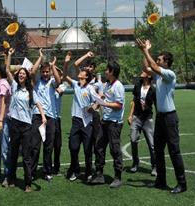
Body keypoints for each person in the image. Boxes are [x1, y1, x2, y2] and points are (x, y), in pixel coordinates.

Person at [136, 38, 187, 194]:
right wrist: (144, 51)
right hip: (160, 118)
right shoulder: (158, 76)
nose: (157, 61)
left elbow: (153, 66)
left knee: (174, 151)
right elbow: (146, 66)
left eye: (159, 60)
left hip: (170, 118)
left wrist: (146, 49)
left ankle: (182, 184)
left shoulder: (169, 74)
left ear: (166, 62)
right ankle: (161, 181)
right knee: (158, 150)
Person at [6, 48, 47, 193]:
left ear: (27, 76)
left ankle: (28, 183)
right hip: (14, 124)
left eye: (24, 74)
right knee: (13, 153)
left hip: (27, 126)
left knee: (27, 156)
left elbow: (38, 104)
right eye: (20, 74)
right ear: (18, 76)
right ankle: (11, 179)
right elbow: (7, 70)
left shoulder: (31, 91)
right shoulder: (15, 86)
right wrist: (10, 55)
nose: (22, 75)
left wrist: (42, 116)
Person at [90, 61, 125, 188]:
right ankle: (99, 174)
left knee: (115, 150)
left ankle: (118, 177)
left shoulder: (118, 86)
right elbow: (103, 97)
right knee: (99, 147)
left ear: (112, 72)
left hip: (114, 123)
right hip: (104, 121)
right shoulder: (108, 84)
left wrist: (104, 104)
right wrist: (94, 106)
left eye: (107, 70)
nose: (105, 72)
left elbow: (118, 105)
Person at [63, 52, 97, 182]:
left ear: (86, 78)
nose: (79, 75)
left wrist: (93, 107)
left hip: (87, 123)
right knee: (73, 147)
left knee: (88, 150)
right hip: (76, 122)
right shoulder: (76, 85)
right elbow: (65, 75)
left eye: (82, 75)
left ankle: (88, 172)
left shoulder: (90, 88)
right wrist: (66, 62)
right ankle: (75, 170)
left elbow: (99, 100)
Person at [30, 49, 61, 181]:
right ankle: (32, 172)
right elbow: (32, 72)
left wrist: (53, 66)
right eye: (43, 71)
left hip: (51, 117)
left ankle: (47, 171)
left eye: (47, 71)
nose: (45, 73)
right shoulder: (37, 80)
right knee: (35, 146)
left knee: (49, 146)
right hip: (37, 116)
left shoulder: (52, 82)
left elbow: (59, 80)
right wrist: (40, 57)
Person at [127, 71, 157, 176]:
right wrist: (130, 115)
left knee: (152, 144)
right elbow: (134, 101)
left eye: (144, 71)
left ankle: (154, 166)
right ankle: (135, 163)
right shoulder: (138, 85)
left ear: (149, 76)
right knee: (133, 140)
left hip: (147, 119)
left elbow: (155, 105)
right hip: (136, 117)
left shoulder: (153, 89)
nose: (142, 72)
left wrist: (146, 108)